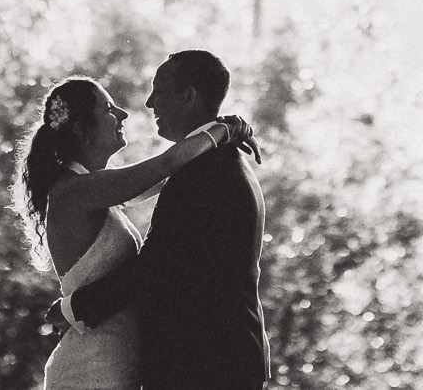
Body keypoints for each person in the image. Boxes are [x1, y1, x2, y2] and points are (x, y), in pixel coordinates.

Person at [15, 74, 251, 390]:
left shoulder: (96, 189)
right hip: (94, 365)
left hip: (117, 358)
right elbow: (167, 164)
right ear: (81, 129)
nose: (123, 114)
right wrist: (227, 128)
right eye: (109, 109)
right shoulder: (75, 191)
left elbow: (173, 176)